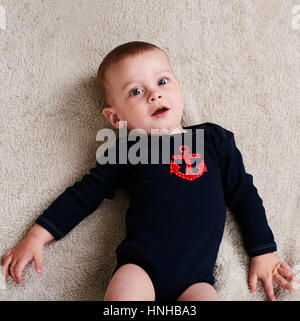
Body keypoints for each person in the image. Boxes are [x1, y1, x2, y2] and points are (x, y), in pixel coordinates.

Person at [2, 41, 297, 301]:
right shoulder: (127, 149)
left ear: (178, 87)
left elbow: (243, 194)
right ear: (116, 117)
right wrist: (37, 236)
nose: (154, 95)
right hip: (140, 267)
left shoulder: (213, 140)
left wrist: (262, 250)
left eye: (163, 82)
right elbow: (83, 195)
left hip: (197, 279)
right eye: (136, 91)